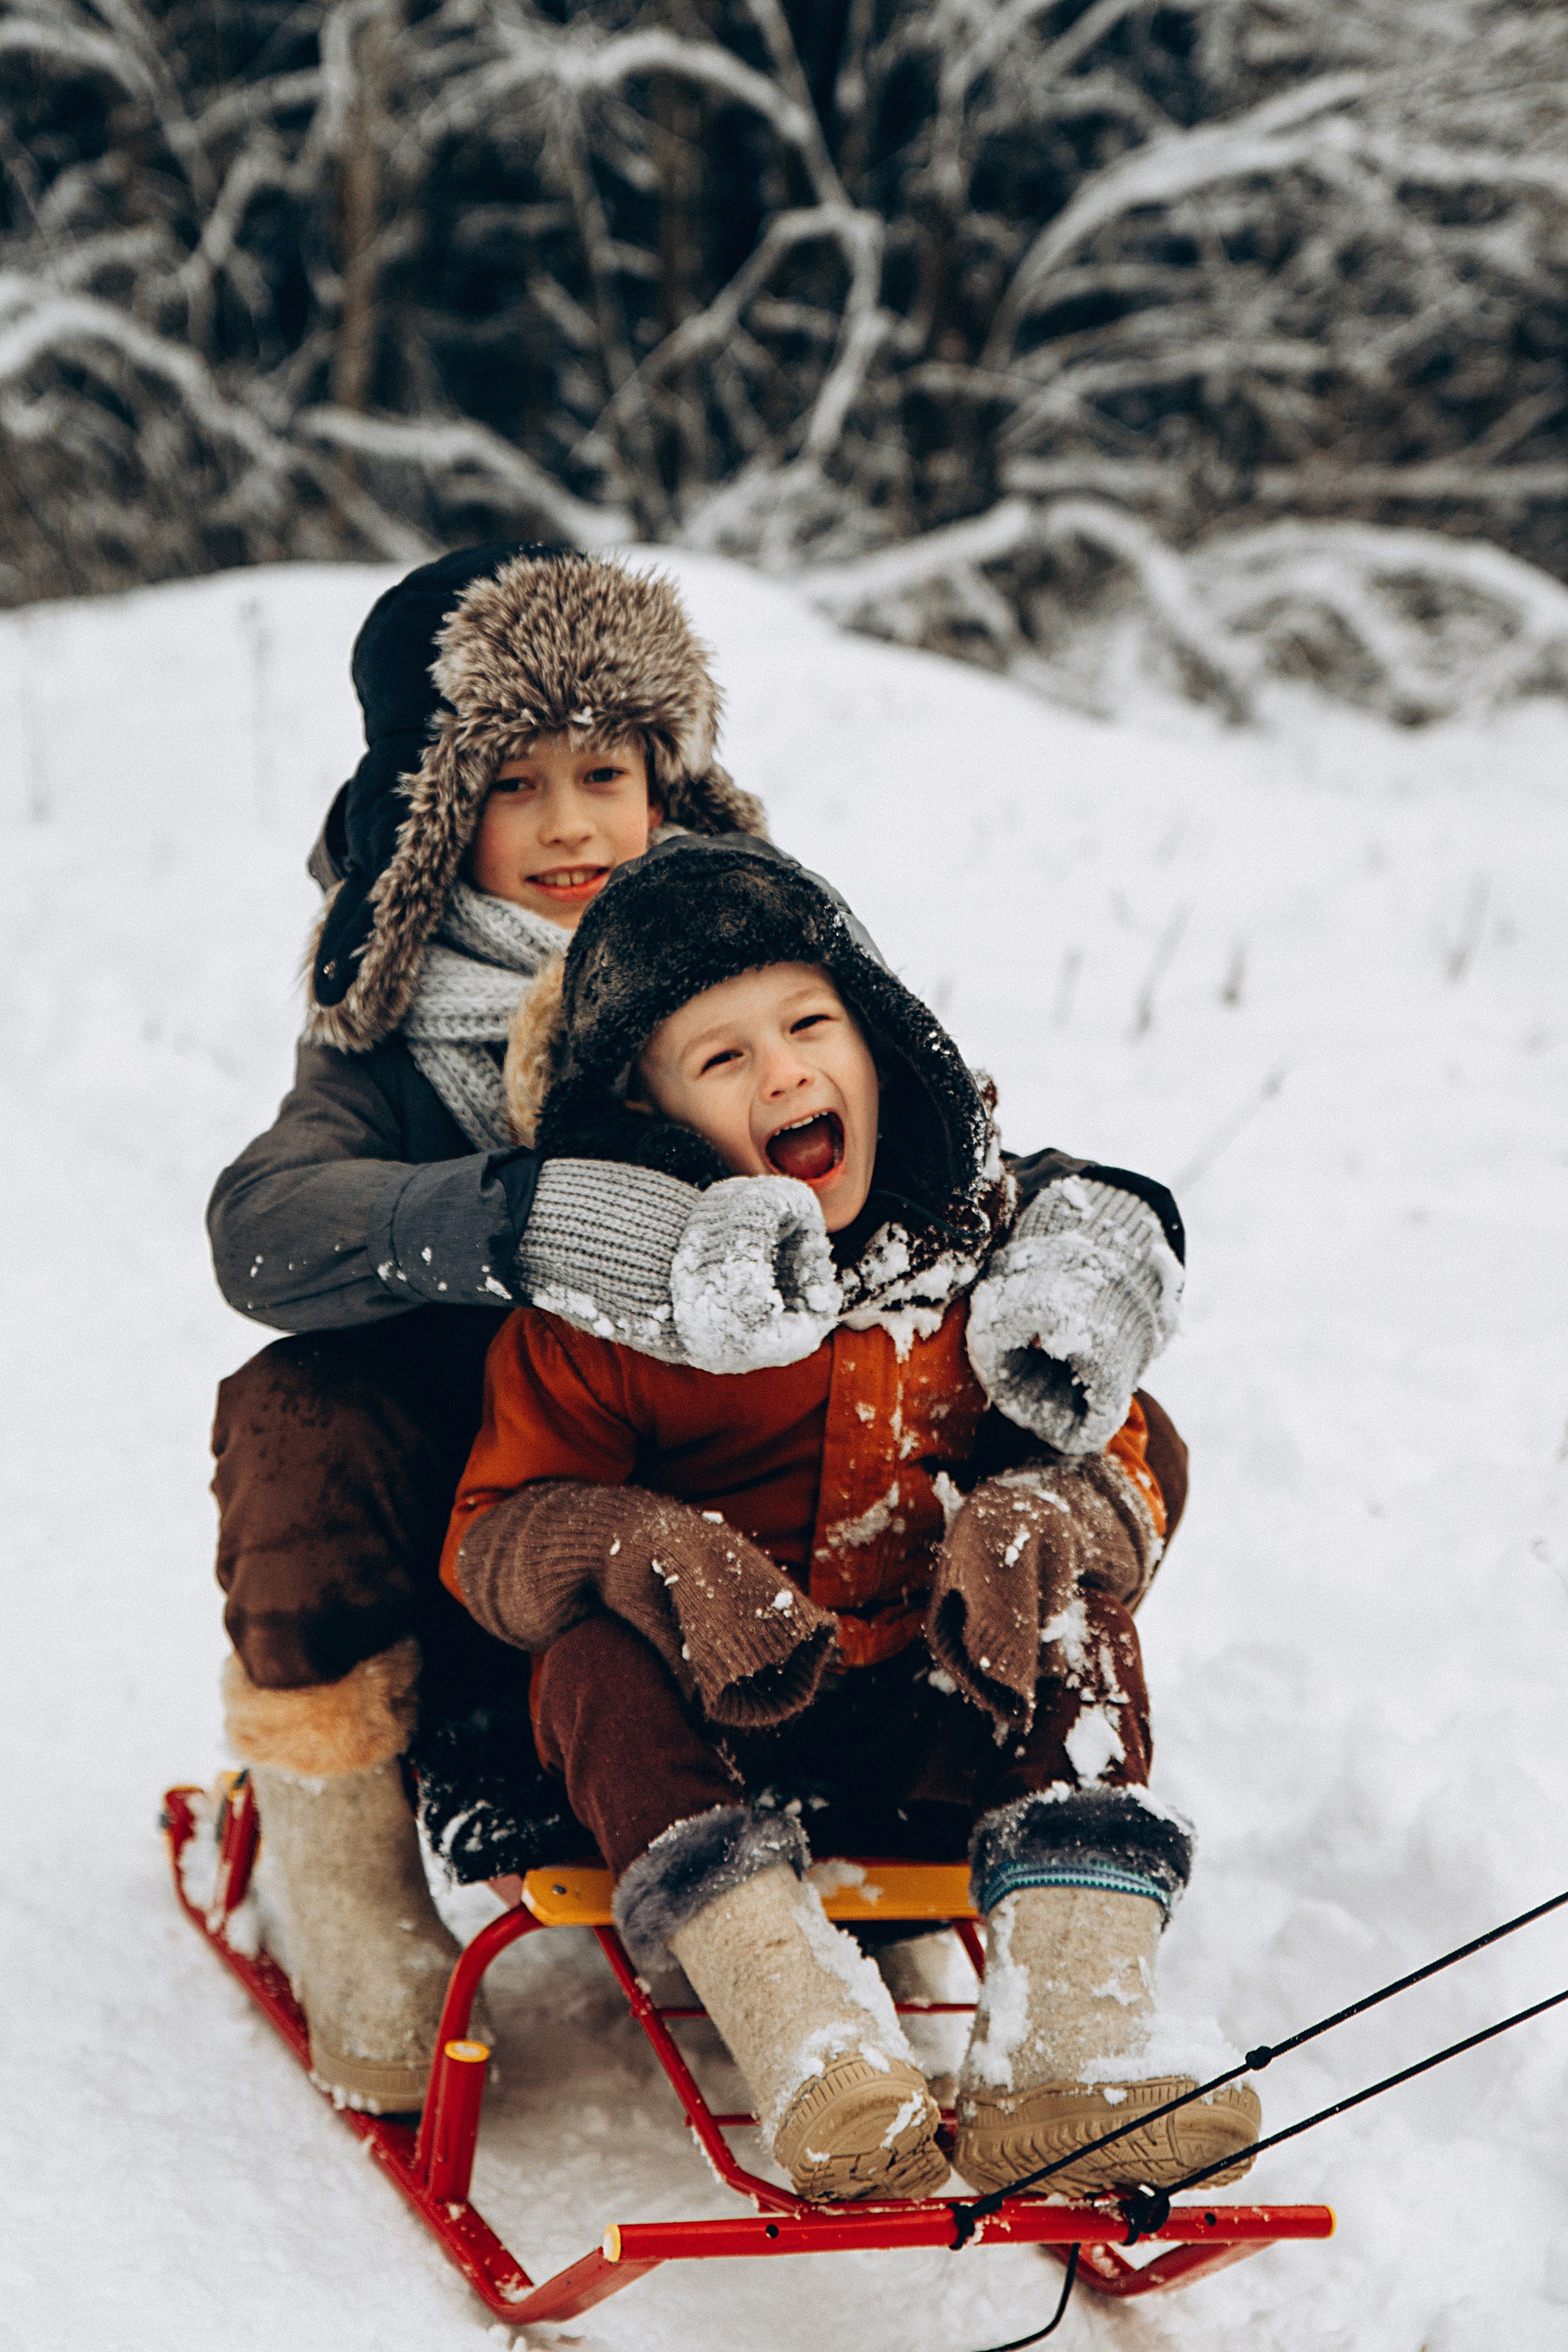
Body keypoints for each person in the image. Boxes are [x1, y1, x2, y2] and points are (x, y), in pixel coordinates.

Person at [440, 833, 1261, 2203]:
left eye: (810, 1024)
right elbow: (494, 1537)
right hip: (713, 1743)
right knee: (589, 1667)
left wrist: (1046, 1516)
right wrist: (638, 1544)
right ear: (652, 1124)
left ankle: (1072, 2047)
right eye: (720, 1060)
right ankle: (806, 2039)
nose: (784, 1073)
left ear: (882, 1044)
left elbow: (1123, 1451)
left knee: (1077, 1623)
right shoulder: (621, 1317)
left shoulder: (983, 1253)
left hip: (925, 1718)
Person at [208, 546, 846, 2113]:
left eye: (605, 771)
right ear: (433, 814)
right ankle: (347, 1884)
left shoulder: (753, 961)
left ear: (667, 781)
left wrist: (1087, 1221)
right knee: (299, 1406)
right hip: (480, 1509)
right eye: (511, 783)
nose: (569, 824)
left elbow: (912, 1127)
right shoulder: (392, 1015)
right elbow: (266, 1222)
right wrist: (509, 1216)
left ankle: (865, 1757)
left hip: (722, 1480)